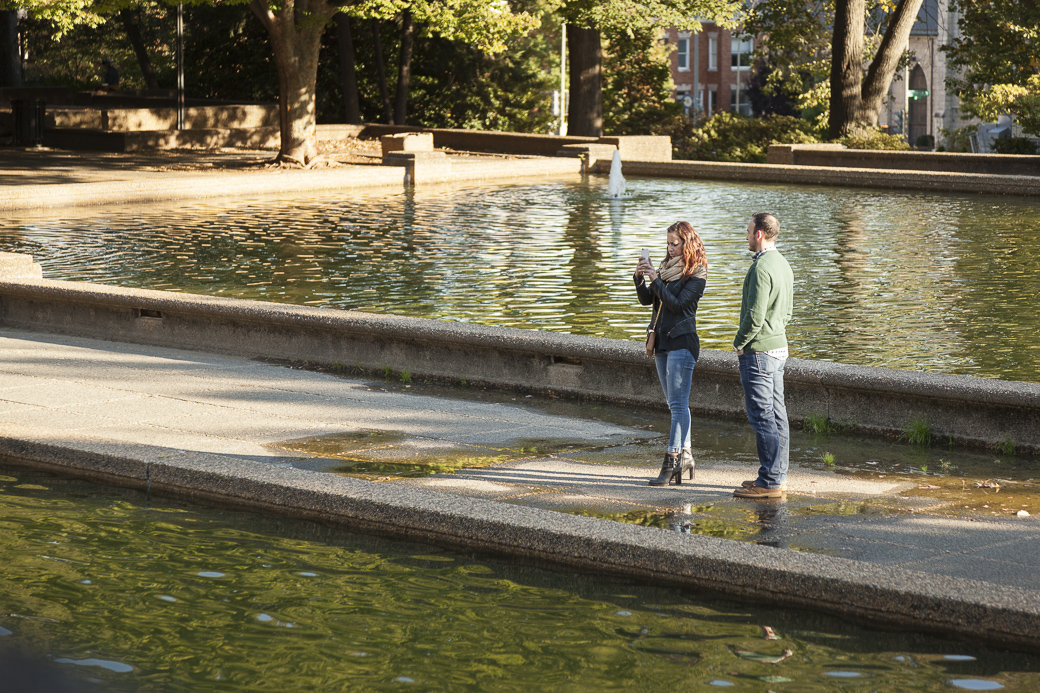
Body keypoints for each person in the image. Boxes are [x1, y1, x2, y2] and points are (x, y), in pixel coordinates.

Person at [634, 221, 708, 486]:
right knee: (675, 405)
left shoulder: (697, 274)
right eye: (667, 243)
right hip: (662, 343)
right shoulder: (664, 270)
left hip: (682, 343)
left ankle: (672, 461)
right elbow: (648, 300)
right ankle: (686, 454)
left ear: (687, 243)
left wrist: (656, 279)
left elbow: (677, 305)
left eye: (674, 244)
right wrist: (640, 278)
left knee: (677, 406)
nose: (670, 248)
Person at [733, 212, 794, 499]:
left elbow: (754, 316)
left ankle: (768, 482)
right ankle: (776, 477)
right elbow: (788, 311)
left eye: (747, 231)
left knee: (762, 417)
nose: (745, 236)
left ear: (759, 234)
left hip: (759, 351)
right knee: (778, 415)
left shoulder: (760, 268)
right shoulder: (782, 263)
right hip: (779, 347)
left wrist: (739, 343)